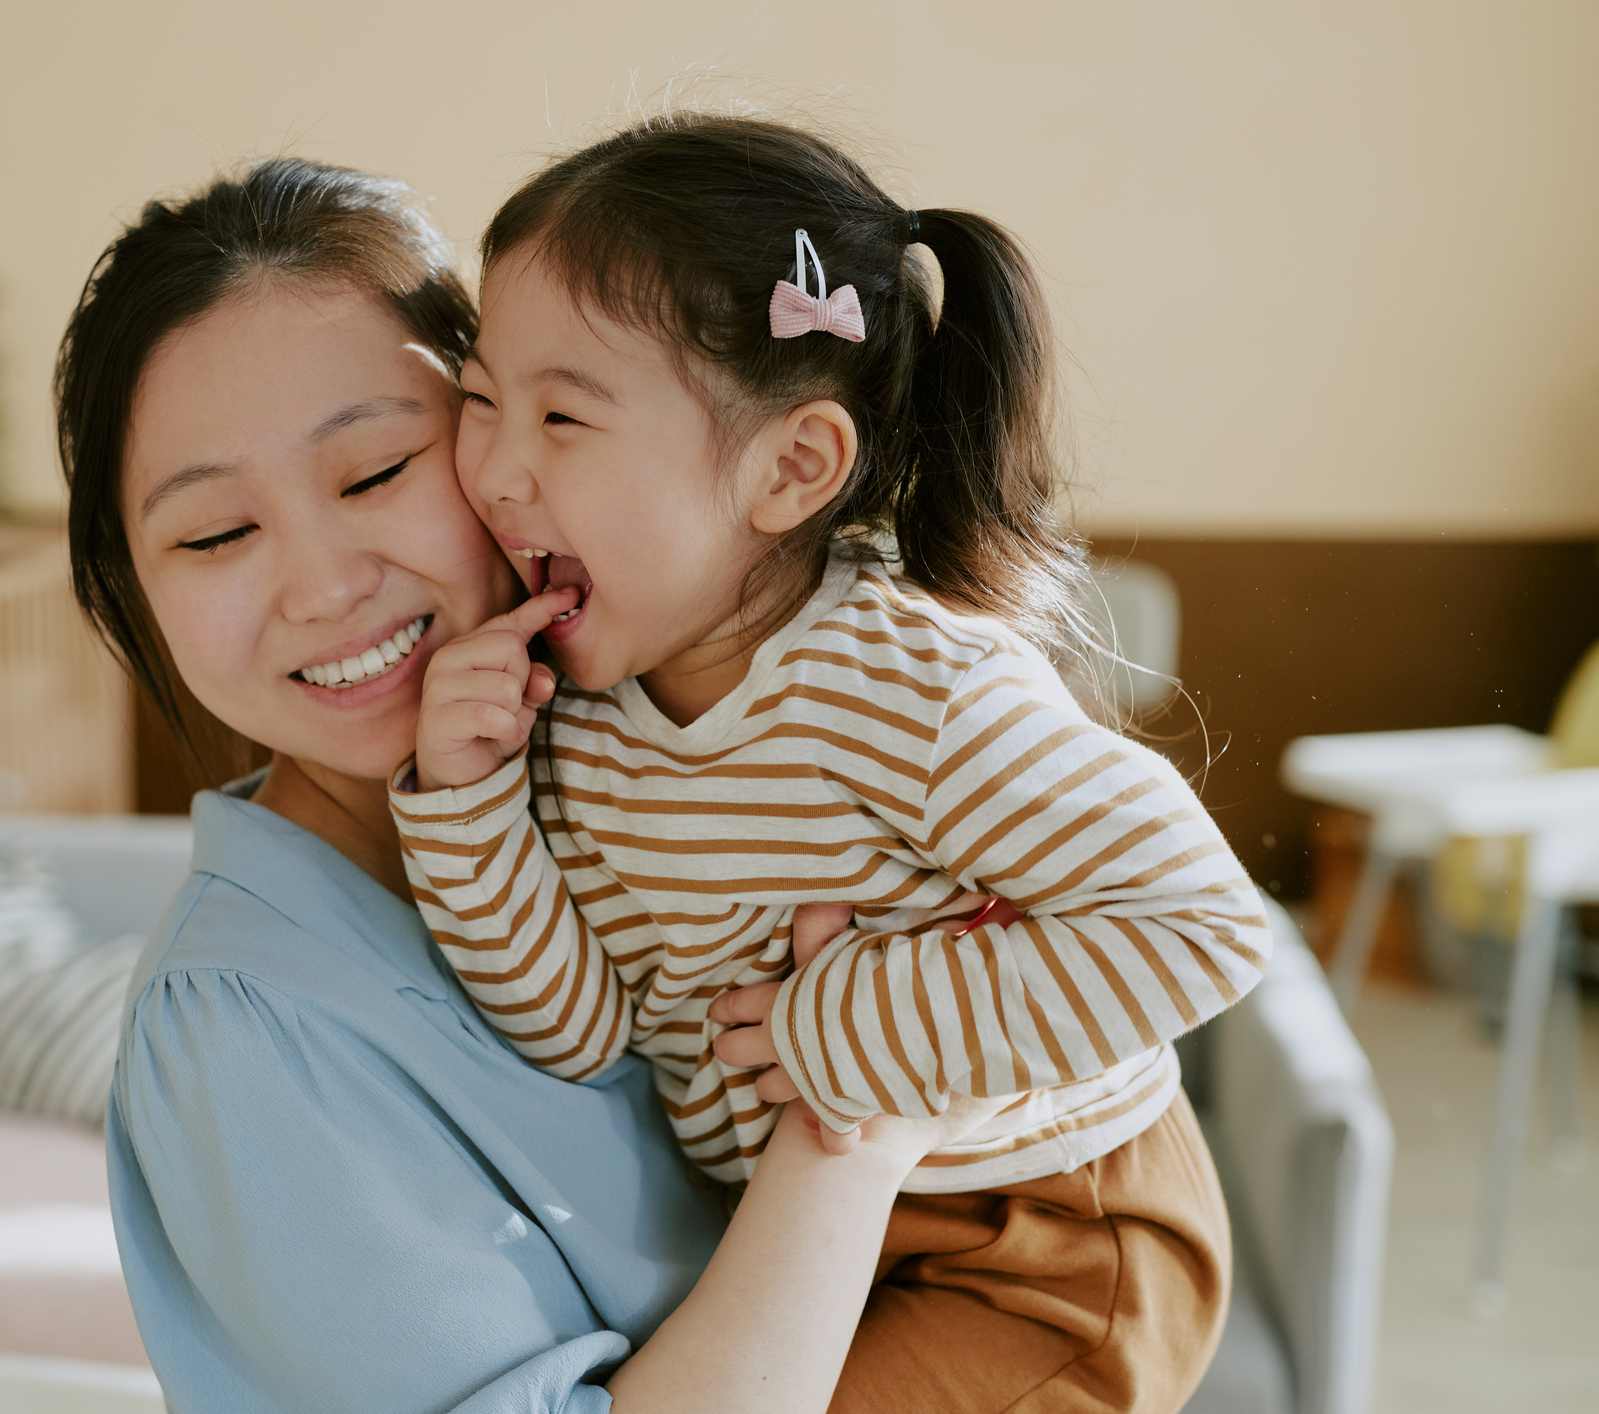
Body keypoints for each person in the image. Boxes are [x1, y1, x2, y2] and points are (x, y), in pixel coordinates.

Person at [57, 156, 1006, 1414]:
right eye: (216, 533)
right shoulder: (244, 1031)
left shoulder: (660, 744)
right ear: (133, 590)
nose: (326, 587)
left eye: (376, 471)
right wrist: (852, 1134)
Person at [392, 114, 1270, 1412]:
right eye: (479, 401)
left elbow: (1202, 924)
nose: (496, 471)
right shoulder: (575, 710)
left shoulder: (916, 690)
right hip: (801, 1236)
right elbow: (574, 1027)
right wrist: (467, 804)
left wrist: (852, 1025)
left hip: (1039, 1238)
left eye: (562, 415)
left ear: (792, 467)